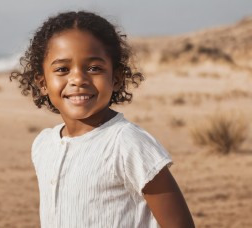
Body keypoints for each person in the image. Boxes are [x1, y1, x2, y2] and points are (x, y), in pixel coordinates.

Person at [10, 11, 194, 228]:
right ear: (42, 83)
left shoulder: (128, 143)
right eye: (62, 69)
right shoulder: (43, 145)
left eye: (94, 68)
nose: (78, 79)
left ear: (116, 79)